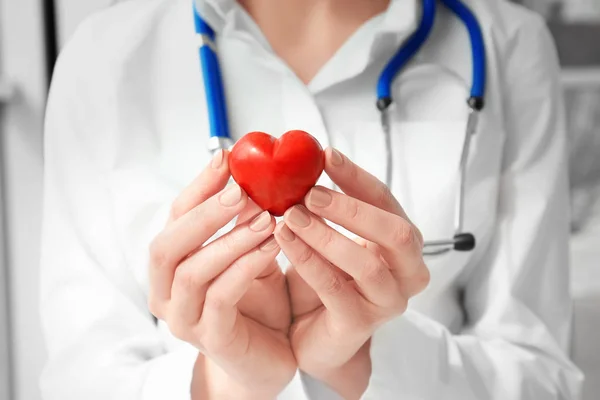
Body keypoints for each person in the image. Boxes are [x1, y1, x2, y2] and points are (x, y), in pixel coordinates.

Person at [39, 0, 584, 398]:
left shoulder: (505, 45)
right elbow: (77, 380)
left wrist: (365, 360)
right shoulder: (102, 60)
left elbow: (542, 377)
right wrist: (224, 380)